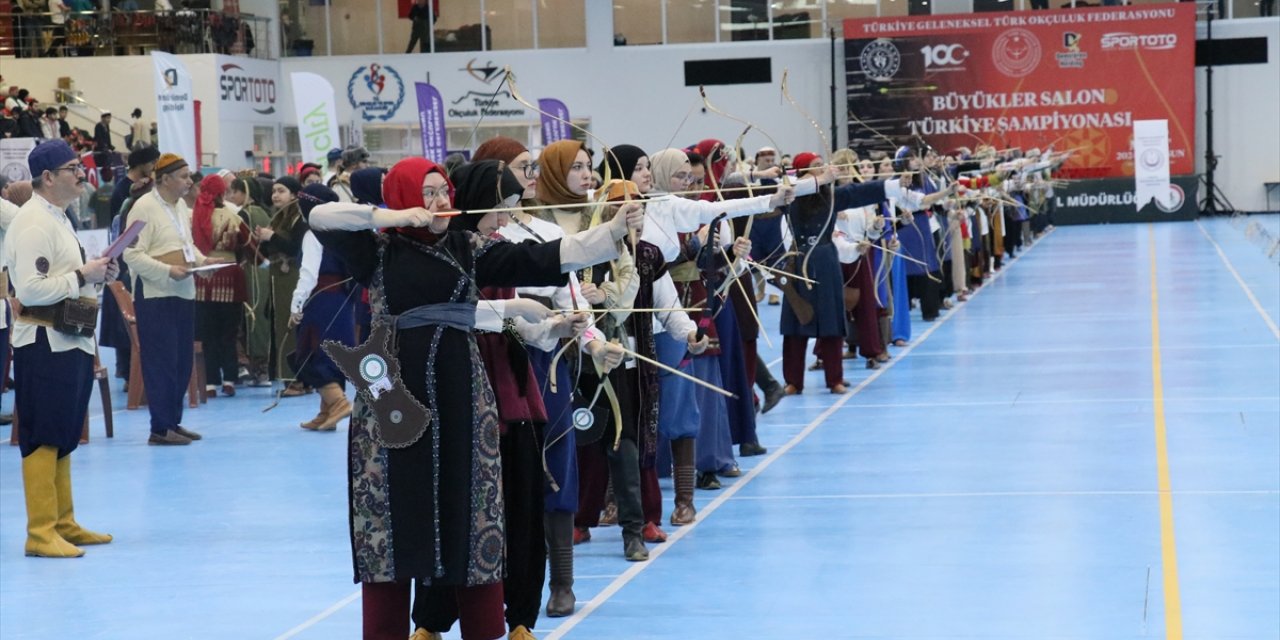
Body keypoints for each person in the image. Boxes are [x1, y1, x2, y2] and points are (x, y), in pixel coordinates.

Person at [304, 155, 638, 640]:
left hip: (462, 397)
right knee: (390, 527)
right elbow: (316, 211)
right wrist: (392, 217)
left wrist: (610, 231)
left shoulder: (467, 245)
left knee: (472, 512)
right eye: (428, 192)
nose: (440, 202)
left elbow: (546, 257)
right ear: (404, 196)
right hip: (391, 402)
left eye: (444, 193)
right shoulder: (375, 250)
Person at [3, 140, 116, 557]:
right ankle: (40, 531)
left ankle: (63, 522)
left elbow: (67, 275)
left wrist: (96, 273)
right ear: (47, 177)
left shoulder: (60, 217)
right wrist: (82, 275)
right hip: (43, 341)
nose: (82, 172)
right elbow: (31, 288)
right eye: (73, 167)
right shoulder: (34, 221)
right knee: (44, 434)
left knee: (65, 432)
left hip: (69, 336)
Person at [122, 152, 212, 445]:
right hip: (156, 296)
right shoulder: (142, 208)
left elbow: (187, 246)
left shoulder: (179, 208)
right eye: (184, 177)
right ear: (165, 179)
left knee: (181, 362)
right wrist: (165, 270)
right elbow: (130, 253)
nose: (189, 182)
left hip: (183, 292)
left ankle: (173, 420)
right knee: (161, 362)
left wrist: (202, 262)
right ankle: (160, 427)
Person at [288, 184, 356, 431]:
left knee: (311, 353)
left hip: (320, 300)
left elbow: (309, 274)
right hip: (342, 301)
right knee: (333, 354)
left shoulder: (312, 234)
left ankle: (338, 402)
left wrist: (296, 304)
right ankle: (325, 412)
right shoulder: (342, 230)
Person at [191, 174, 249, 397]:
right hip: (229, 279)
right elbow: (248, 246)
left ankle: (210, 383)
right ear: (222, 193)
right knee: (229, 332)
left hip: (202, 279)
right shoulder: (233, 216)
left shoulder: (193, 216)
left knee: (207, 334)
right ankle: (230, 380)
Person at [255, 176, 308, 393]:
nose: (275, 195)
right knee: (280, 326)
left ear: (294, 194)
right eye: (274, 191)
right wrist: (261, 240)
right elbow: (269, 250)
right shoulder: (278, 217)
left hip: (292, 277)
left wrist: (272, 237)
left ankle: (298, 379)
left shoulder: (300, 219)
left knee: (291, 326)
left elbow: (296, 247)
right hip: (278, 277)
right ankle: (291, 379)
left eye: (281, 191)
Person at [226, 176, 273, 386]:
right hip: (266, 271)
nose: (231, 196)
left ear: (245, 192)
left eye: (234, 192)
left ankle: (258, 369)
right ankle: (266, 368)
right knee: (263, 317)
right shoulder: (265, 212)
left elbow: (242, 245)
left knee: (252, 317)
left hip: (251, 271)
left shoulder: (243, 214)